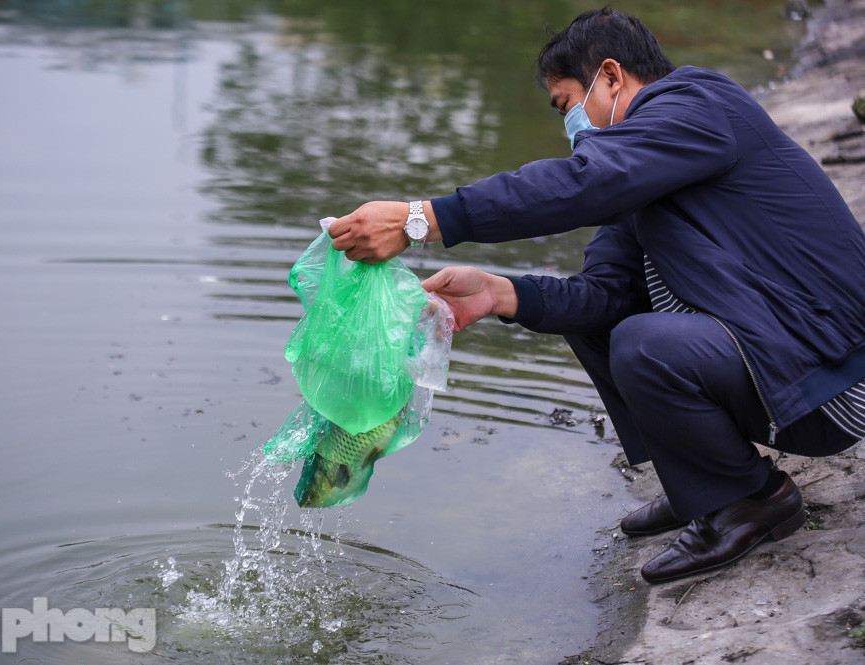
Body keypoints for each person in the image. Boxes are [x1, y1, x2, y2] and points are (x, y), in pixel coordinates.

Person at [327, 7, 865, 584]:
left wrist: (421, 219)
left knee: (644, 343)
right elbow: (604, 295)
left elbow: (582, 183)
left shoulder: (699, 105)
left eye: (567, 106)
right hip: (781, 368)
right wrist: (498, 293)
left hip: (832, 379)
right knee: (602, 322)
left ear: (610, 77)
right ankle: (703, 485)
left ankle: (750, 498)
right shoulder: (640, 174)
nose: (572, 128)